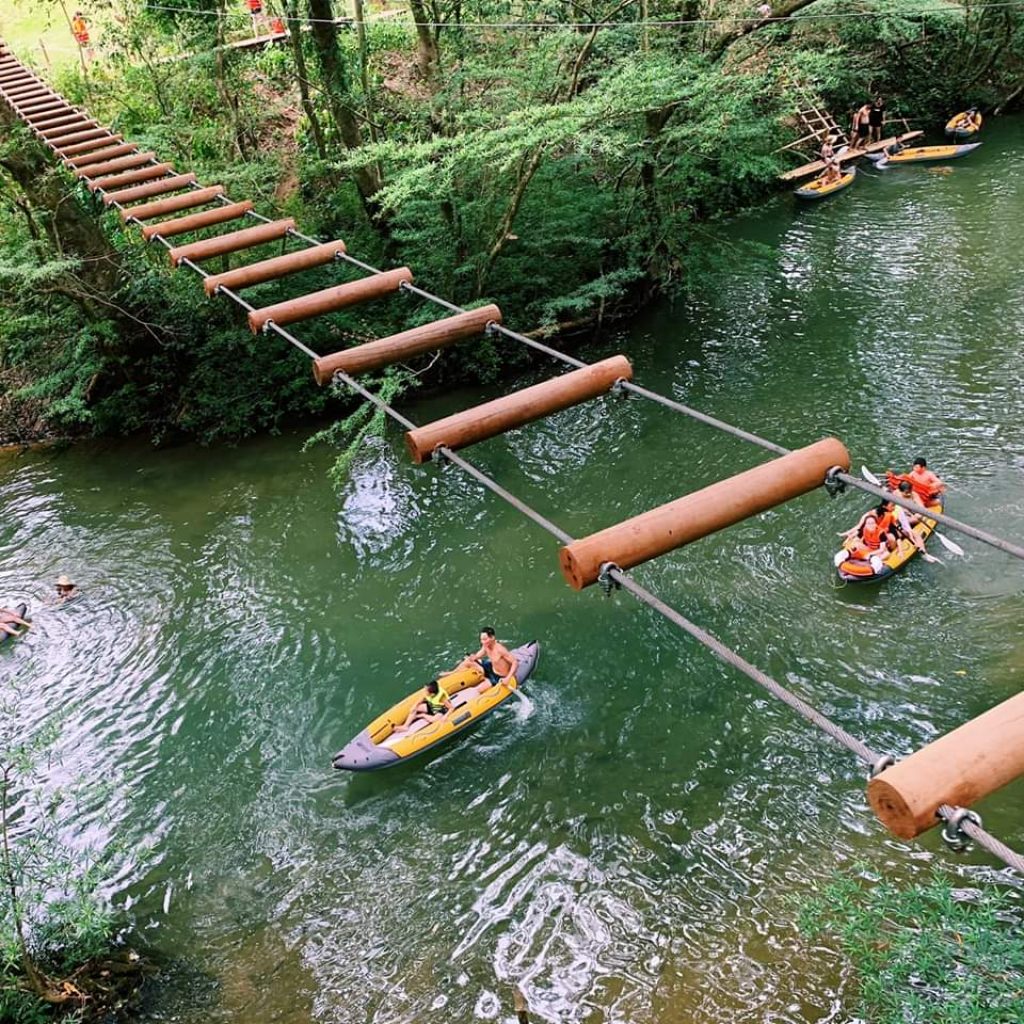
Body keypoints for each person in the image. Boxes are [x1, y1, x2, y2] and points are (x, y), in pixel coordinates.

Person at [457, 627, 518, 694]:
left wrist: (508, 678)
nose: (482, 642)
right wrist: (475, 657)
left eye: (485, 639)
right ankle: (452, 672)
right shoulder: (486, 645)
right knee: (467, 661)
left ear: (492, 637)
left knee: (478, 689)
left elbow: (515, 662)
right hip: (490, 668)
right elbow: (481, 653)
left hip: (498, 676)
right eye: (481, 640)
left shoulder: (500, 650)